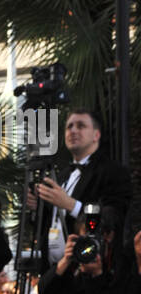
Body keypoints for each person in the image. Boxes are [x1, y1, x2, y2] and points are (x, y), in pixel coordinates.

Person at [29, 109, 131, 269]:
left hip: (89, 274)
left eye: (81, 126)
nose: (73, 131)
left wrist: (72, 205)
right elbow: (48, 225)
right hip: (54, 274)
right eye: (69, 127)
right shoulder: (61, 176)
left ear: (96, 135)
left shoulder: (113, 172)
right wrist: (37, 208)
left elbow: (112, 219)